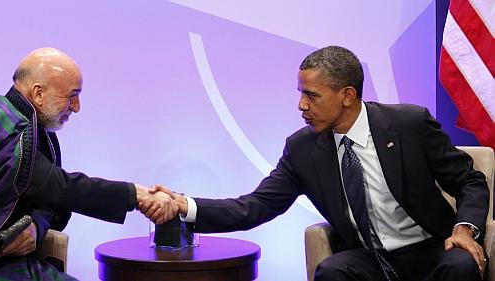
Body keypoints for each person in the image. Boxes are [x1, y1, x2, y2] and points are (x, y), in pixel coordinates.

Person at [142, 46, 490, 281]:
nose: (301, 105)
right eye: (300, 93)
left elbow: (468, 180)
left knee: (461, 266)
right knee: (333, 272)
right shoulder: (303, 149)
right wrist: (183, 206)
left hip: (431, 248)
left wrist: (465, 229)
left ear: (347, 95)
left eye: (311, 95)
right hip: (371, 257)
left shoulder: (409, 124)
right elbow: (254, 207)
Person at [0, 47, 176, 280]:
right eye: (72, 95)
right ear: (38, 93)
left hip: (8, 266)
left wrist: (35, 228)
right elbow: (59, 187)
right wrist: (136, 195)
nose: (77, 107)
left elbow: (52, 203)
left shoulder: (38, 132)